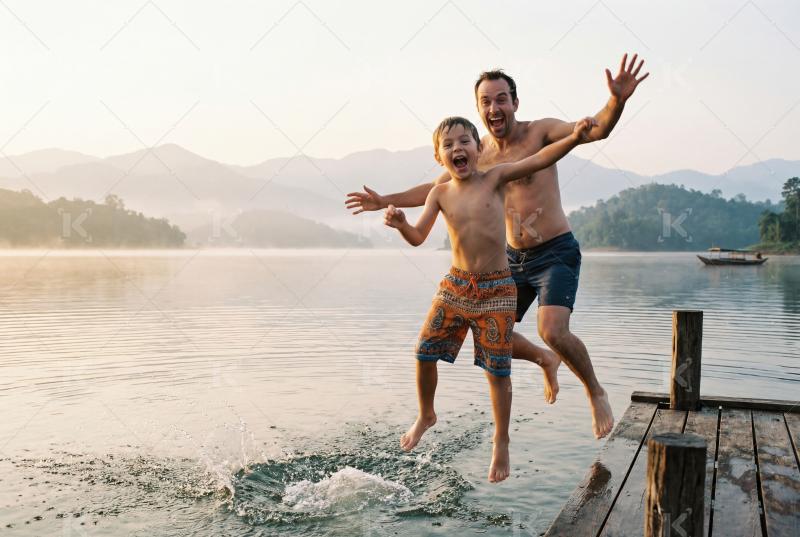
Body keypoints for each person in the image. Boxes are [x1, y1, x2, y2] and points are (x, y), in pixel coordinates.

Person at [346, 54, 649, 439]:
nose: (494, 107)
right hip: (509, 260)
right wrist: (383, 200)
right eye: (486, 102)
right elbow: (434, 191)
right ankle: (544, 360)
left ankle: (595, 390)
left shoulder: (540, 131)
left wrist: (616, 102)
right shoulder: (476, 151)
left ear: (515, 103)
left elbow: (592, 131)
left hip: (554, 251)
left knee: (552, 329)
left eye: (501, 99)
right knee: (492, 335)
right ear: (478, 110)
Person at [386, 115, 595, 483]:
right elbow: (418, 237)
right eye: (448, 145)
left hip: (498, 288)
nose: (457, 149)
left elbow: (539, 160)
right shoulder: (439, 193)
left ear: (479, 150)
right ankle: (427, 415)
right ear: (439, 158)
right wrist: (402, 223)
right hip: (456, 286)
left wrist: (575, 138)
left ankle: (501, 441)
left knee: (496, 371)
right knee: (423, 352)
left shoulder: (495, 179)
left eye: (465, 141)